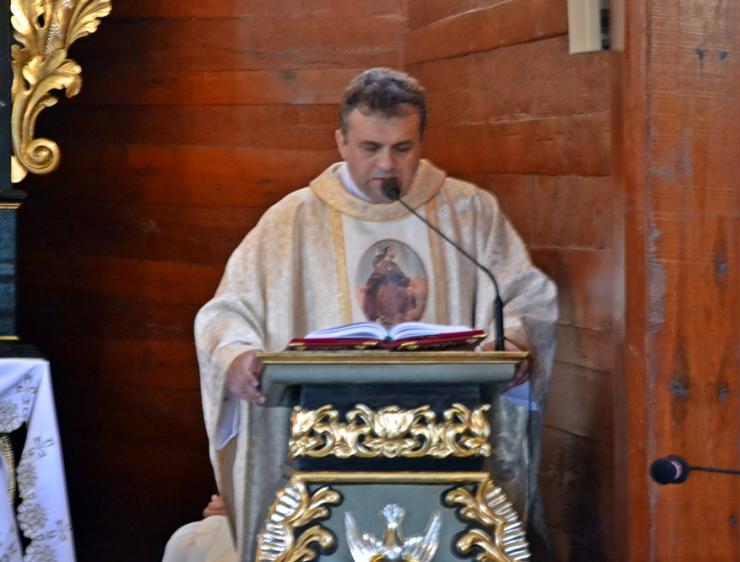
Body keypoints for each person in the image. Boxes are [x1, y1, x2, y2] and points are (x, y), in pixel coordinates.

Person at [191, 68, 557, 559]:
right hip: (320, 434)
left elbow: (525, 295)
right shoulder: (292, 220)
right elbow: (226, 311)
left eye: (402, 148)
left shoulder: (468, 212)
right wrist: (235, 355)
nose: (387, 164)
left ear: (421, 142)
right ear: (341, 142)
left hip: (451, 430)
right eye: (370, 147)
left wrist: (513, 337)